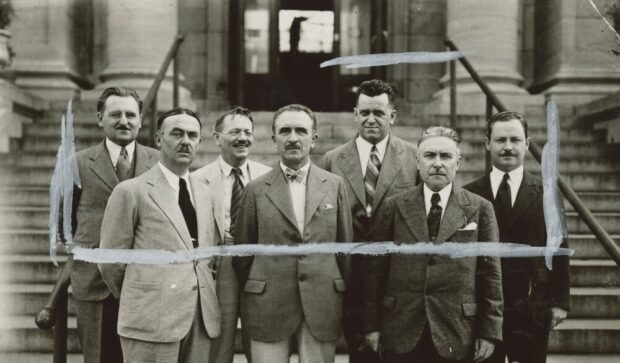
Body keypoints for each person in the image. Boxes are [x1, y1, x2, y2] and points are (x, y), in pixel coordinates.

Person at [36, 87, 159, 363]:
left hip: (146, 282)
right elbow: (62, 223)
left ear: (140, 120)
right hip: (94, 283)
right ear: (100, 118)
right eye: (115, 114)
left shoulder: (159, 163)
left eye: (131, 114)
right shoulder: (77, 164)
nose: (123, 121)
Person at [364, 126, 503, 363]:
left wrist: (489, 332)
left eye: (445, 156)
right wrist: (371, 325)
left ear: (457, 163)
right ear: (418, 163)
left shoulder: (479, 208)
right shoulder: (394, 207)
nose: (437, 163)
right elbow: (375, 271)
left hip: (457, 328)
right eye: (429, 156)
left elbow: (491, 274)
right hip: (401, 325)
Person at [232, 104, 353, 363]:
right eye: (285, 131)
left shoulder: (334, 185)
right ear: (274, 138)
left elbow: (345, 250)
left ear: (314, 138)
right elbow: (242, 253)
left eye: (301, 130)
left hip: (321, 303)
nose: (293, 138)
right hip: (268, 303)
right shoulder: (255, 189)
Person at [98, 108, 221, 363]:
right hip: (150, 319)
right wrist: (145, 293)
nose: (185, 141)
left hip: (200, 318)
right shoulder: (132, 191)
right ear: (157, 139)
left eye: (192, 135)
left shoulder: (206, 193)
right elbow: (110, 262)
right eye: (176, 133)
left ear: (199, 142)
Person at [320, 79, 417, 363]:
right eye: (365, 113)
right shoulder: (333, 159)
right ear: (355, 114)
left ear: (393, 116)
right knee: (359, 354)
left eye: (379, 113)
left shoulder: (413, 157)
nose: (371, 119)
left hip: (397, 279)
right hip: (352, 278)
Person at [464, 111, 570, 363]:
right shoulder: (469, 194)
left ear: (527, 143)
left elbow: (560, 248)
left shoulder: (546, 192)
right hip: (485, 308)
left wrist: (560, 302)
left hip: (532, 303)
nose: (508, 147)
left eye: (515, 139)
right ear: (487, 143)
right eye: (500, 140)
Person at [192, 107, 271, 363]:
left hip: (258, 264)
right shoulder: (197, 179)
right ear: (217, 138)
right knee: (219, 341)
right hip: (221, 263)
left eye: (248, 132)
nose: (243, 138)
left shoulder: (268, 177)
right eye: (235, 131)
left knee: (261, 340)